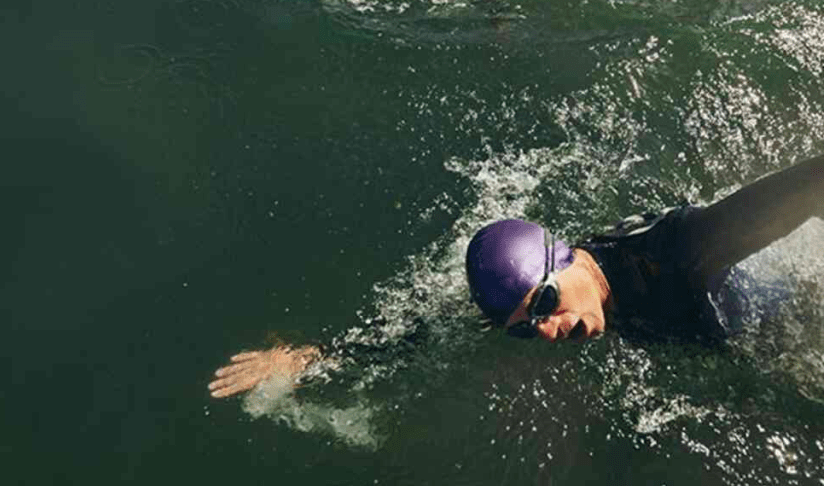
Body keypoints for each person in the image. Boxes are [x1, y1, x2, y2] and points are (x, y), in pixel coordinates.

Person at [207, 152, 824, 399]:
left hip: (786, 307)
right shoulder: (550, 299)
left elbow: (804, 186)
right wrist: (308, 358)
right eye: (527, 328)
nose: (547, 329)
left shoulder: (682, 249)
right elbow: (420, 337)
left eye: (544, 303)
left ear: (567, 257)